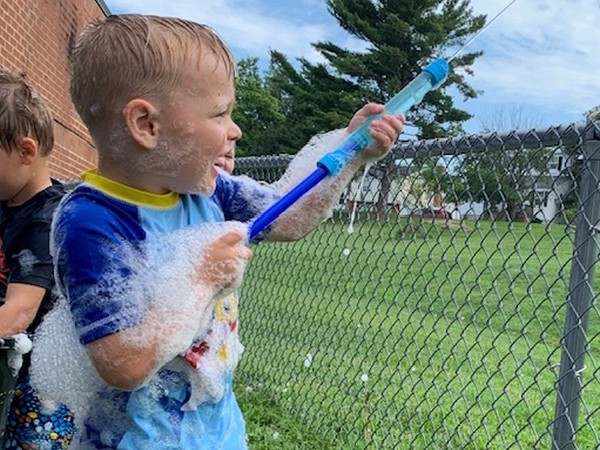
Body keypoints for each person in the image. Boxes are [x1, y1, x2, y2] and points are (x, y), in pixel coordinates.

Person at [31, 14, 404, 449]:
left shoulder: (208, 191)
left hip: (216, 431)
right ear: (147, 126)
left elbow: (290, 217)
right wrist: (200, 280)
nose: (235, 130)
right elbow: (123, 363)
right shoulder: (94, 220)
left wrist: (349, 152)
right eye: (220, 113)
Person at [0, 69, 74, 449]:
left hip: (39, 382)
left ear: (25, 151)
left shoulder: (45, 220)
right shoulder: (6, 203)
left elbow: (18, 314)